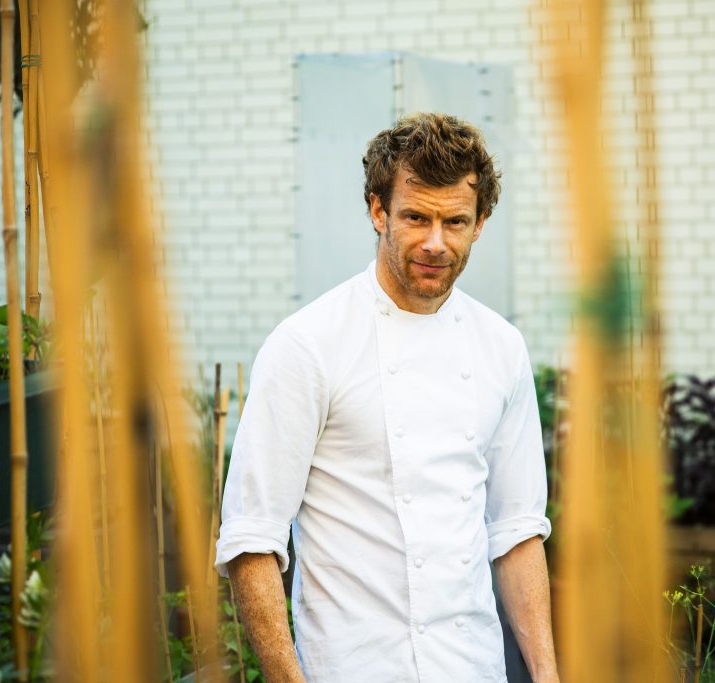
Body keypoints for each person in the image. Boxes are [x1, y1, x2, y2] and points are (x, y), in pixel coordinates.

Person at [216, 112, 558, 682]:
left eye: (455, 222)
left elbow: (517, 530)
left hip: (472, 666)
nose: (435, 242)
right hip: (351, 667)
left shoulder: (502, 347)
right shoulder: (308, 345)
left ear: (481, 223)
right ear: (378, 211)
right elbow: (253, 538)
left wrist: (547, 675)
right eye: (415, 217)